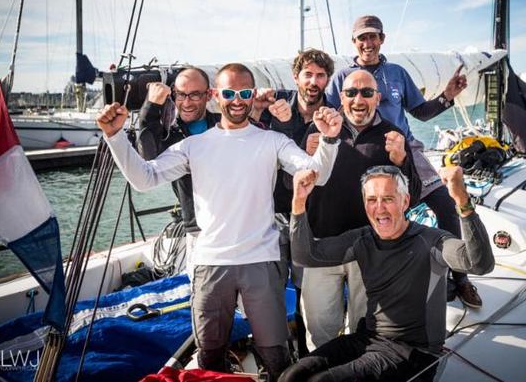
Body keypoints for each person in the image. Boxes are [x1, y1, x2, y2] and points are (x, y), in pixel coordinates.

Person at [96, 63, 343, 380]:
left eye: (244, 93)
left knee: (277, 356)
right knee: (210, 358)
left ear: (253, 95)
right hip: (210, 263)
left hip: (262, 261)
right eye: (229, 93)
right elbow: (145, 179)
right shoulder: (192, 146)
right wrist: (115, 136)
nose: (237, 100)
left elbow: (315, 175)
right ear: (216, 96)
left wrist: (330, 140)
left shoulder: (272, 142)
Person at [280, 166, 495, 382]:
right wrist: (299, 202)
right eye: (372, 200)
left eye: (388, 199)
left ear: (405, 201)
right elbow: (306, 256)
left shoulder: (431, 241)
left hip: (414, 353)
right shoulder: (363, 240)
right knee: (291, 376)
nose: (379, 208)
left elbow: (480, 264)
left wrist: (461, 200)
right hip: (368, 338)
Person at [327, 14, 483, 308]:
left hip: (406, 147)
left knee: (446, 207)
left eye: (373, 36)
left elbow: (421, 112)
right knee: (380, 214)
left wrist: (447, 96)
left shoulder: (397, 73)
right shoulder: (342, 78)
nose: (368, 43)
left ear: (382, 39)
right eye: (362, 37)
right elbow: (323, 113)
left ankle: (460, 278)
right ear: (354, 42)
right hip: (363, 150)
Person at [299, 69, 421, 352]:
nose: (358, 99)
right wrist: (306, 158)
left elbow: (411, 196)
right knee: (319, 331)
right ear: (341, 98)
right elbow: (289, 186)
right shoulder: (318, 130)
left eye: (367, 92)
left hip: (370, 250)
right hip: (321, 246)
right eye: (351, 92)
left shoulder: (393, 134)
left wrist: (401, 161)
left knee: (365, 329)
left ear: (378, 98)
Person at [250, 48, 336, 355]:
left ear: (328, 79)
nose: (314, 81)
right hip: (271, 215)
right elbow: (249, 147)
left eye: (321, 75)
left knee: (308, 292)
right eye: (308, 74)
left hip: (312, 218)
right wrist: (261, 109)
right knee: (269, 291)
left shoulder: (333, 115)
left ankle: (306, 356)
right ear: (296, 77)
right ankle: (274, 356)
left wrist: (325, 144)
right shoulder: (276, 106)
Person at [137, 67, 219, 276]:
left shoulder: (223, 124)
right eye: (181, 94)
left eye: (194, 94)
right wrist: (151, 106)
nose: (187, 102)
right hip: (197, 232)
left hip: (233, 227)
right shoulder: (169, 135)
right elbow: (147, 158)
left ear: (208, 95)